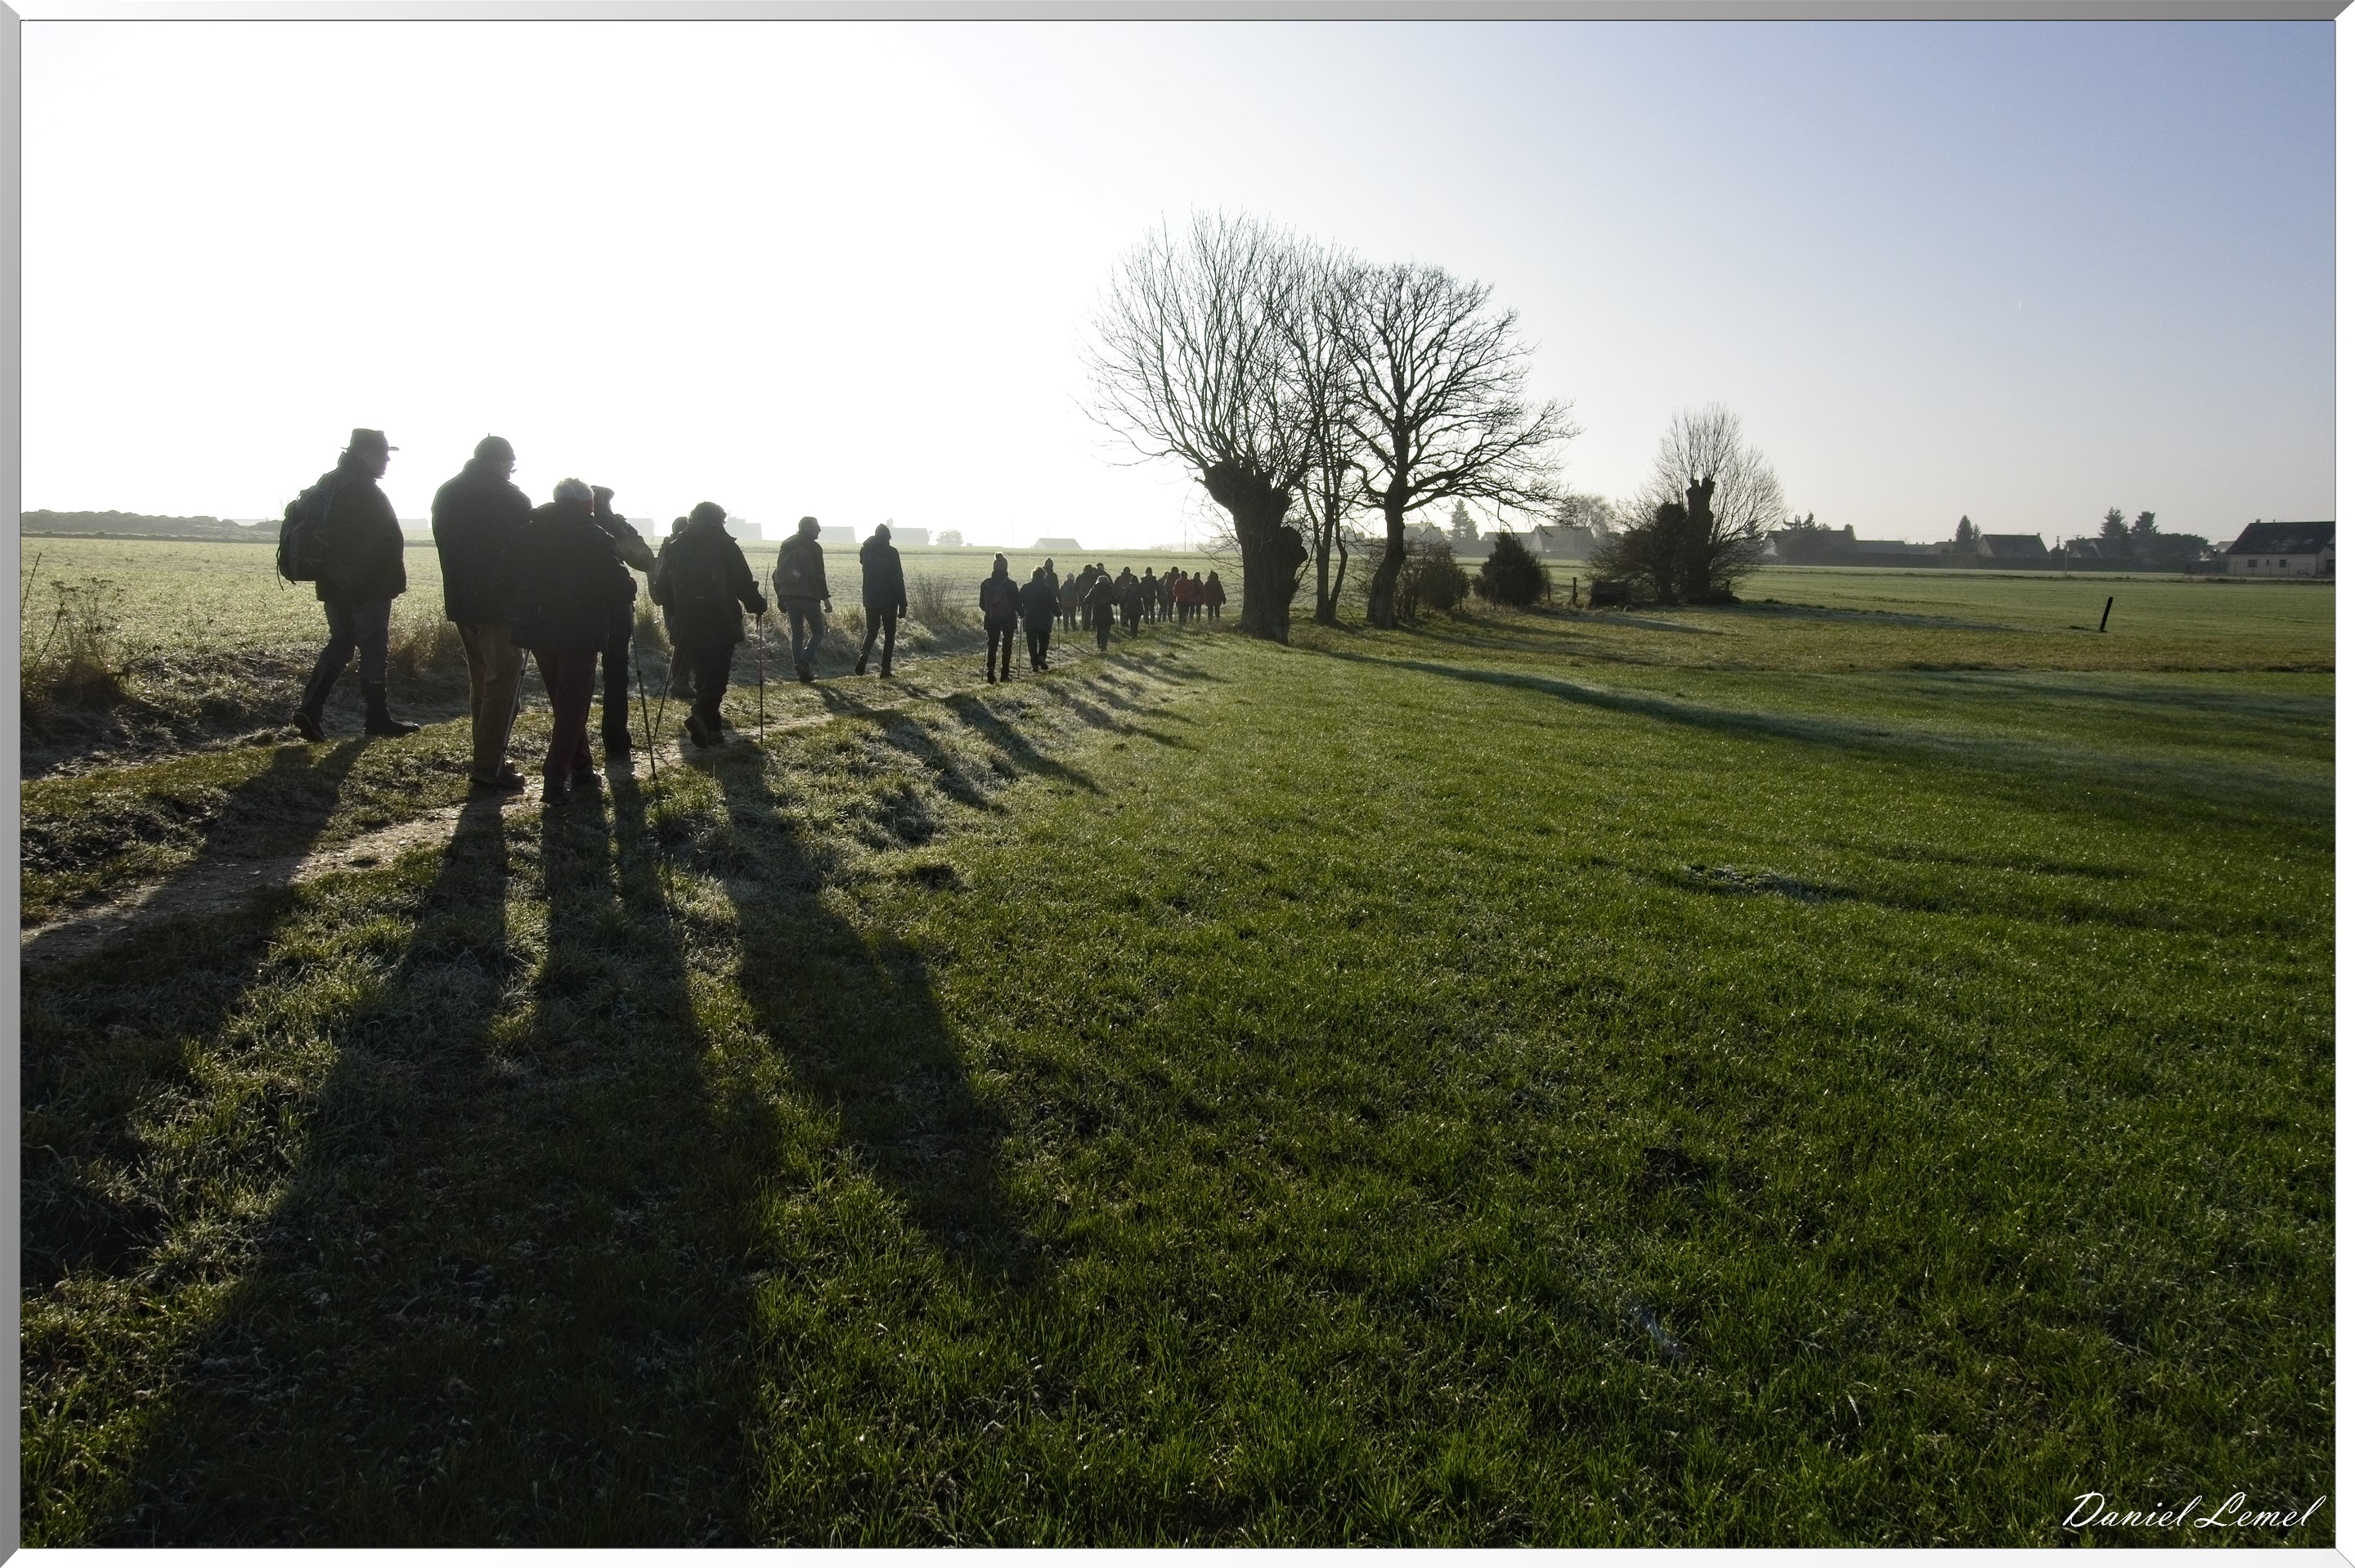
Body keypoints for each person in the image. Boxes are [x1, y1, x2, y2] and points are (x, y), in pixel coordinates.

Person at [502, 478, 634, 801]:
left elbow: (502, 576)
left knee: (565, 704)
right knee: (573, 706)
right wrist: (628, 584)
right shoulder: (594, 536)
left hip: (538, 629)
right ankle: (555, 777)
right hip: (580, 631)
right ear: (587, 505)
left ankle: (583, 768)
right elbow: (618, 587)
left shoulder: (527, 532)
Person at [290, 428, 419, 741]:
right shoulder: (363, 490)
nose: (387, 459)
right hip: (367, 586)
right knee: (374, 646)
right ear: (365, 454)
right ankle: (377, 718)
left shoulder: (331, 482)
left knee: (341, 642)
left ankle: (310, 708)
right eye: (382, 453)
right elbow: (376, 542)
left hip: (334, 584)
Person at [429, 434, 532, 792]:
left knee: (481, 683)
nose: (511, 471)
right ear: (503, 462)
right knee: (503, 684)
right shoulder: (509, 497)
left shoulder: (447, 491)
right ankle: (490, 765)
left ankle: (486, 757)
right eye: (511, 465)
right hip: (499, 607)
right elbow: (524, 553)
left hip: (462, 602)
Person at [652, 500, 765, 748]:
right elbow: (742, 581)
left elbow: (661, 587)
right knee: (717, 674)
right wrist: (757, 604)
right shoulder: (724, 544)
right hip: (720, 618)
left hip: (688, 620)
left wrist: (678, 610)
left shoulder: (676, 545)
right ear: (719, 520)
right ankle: (700, 715)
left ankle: (712, 730)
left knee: (703, 672)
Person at [590, 486, 657, 755]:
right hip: (611, 607)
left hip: (561, 609)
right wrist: (617, 522)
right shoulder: (610, 525)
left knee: (567, 677)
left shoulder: (547, 521)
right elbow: (644, 560)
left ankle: (571, 746)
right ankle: (615, 738)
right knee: (616, 674)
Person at [771, 515, 832, 683]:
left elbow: (778, 573)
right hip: (808, 595)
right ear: (806, 527)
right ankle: (804, 661)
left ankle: (801, 672)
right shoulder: (814, 548)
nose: (819, 529)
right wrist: (825, 598)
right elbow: (820, 575)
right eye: (816, 526)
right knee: (818, 631)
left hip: (788, 595)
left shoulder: (787, 544)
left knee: (797, 634)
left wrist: (780, 596)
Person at [854, 522, 907, 677]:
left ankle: (864, 655)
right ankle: (885, 669)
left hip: (870, 599)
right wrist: (903, 604)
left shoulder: (865, 552)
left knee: (871, 631)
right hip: (889, 600)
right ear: (888, 538)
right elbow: (898, 579)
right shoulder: (891, 553)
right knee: (890, 635)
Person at [659, 517, 695, 698]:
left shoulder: (668, 546)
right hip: (680, 602)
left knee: (681, 642)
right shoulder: (679, 547)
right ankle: (680, 681)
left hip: (670, 601)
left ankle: (678, 680)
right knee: (687, 641)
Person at [978, 553, 1020, 682]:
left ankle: (990, 670)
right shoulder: (1011, 585)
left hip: (991, 619)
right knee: (1007, 646)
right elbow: (1017, 604)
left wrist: (991, 611)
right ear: (1006, 568)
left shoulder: (985, 584)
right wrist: (1021, 613)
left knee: (992, 645)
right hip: (1008, 619)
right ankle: (1005, 674)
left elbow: (982, 604)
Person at [1018, 564, 1057, 671]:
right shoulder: (1047, 588)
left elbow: (1019, 601)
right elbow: (1052, 603)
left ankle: (1034, 664)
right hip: (1044, 619)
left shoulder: (1026, 587)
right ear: (1043, 577)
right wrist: (1058, 612)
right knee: (1044, 640)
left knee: (1032, 643)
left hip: (1030, 618)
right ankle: (1042, 657)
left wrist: (1020, 612)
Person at [1086, 563, 1118, 652]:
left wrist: (1089, 602)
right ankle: (1103, 646)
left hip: (1097, 612)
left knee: (1099, 629)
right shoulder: (1109, 589)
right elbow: (1115, 602)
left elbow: (1086, 600)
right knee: (1106, 630)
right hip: (1107, 612)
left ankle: (1099, 644)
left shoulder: (1094, 589)